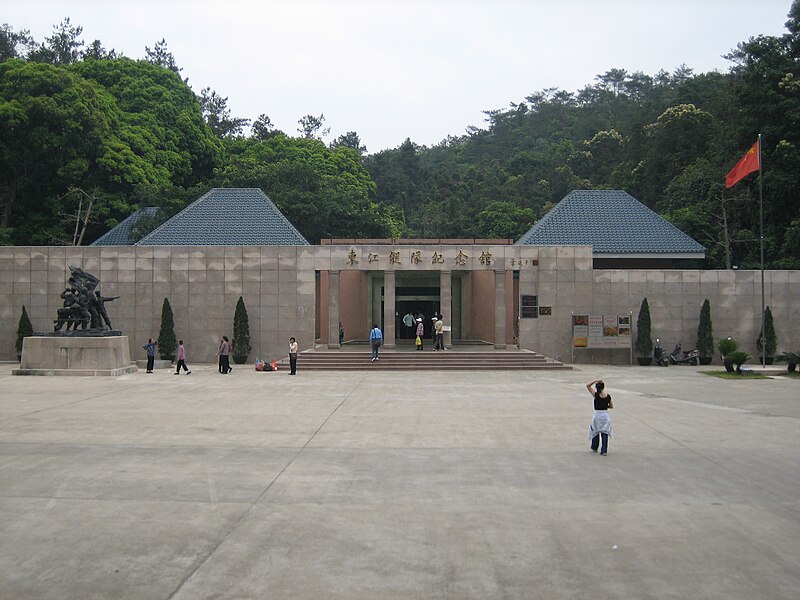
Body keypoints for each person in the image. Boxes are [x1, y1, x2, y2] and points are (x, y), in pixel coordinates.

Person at [586, 379, 613, 455]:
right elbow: (611, 406)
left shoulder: (596, 395)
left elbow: (588, 386)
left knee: (595, 431)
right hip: (605, 415)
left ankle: (594, 446)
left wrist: (595, 380)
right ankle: (604, 450)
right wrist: (605, 405)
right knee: (605, 432)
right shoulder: (608, 396)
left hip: (597, 415)